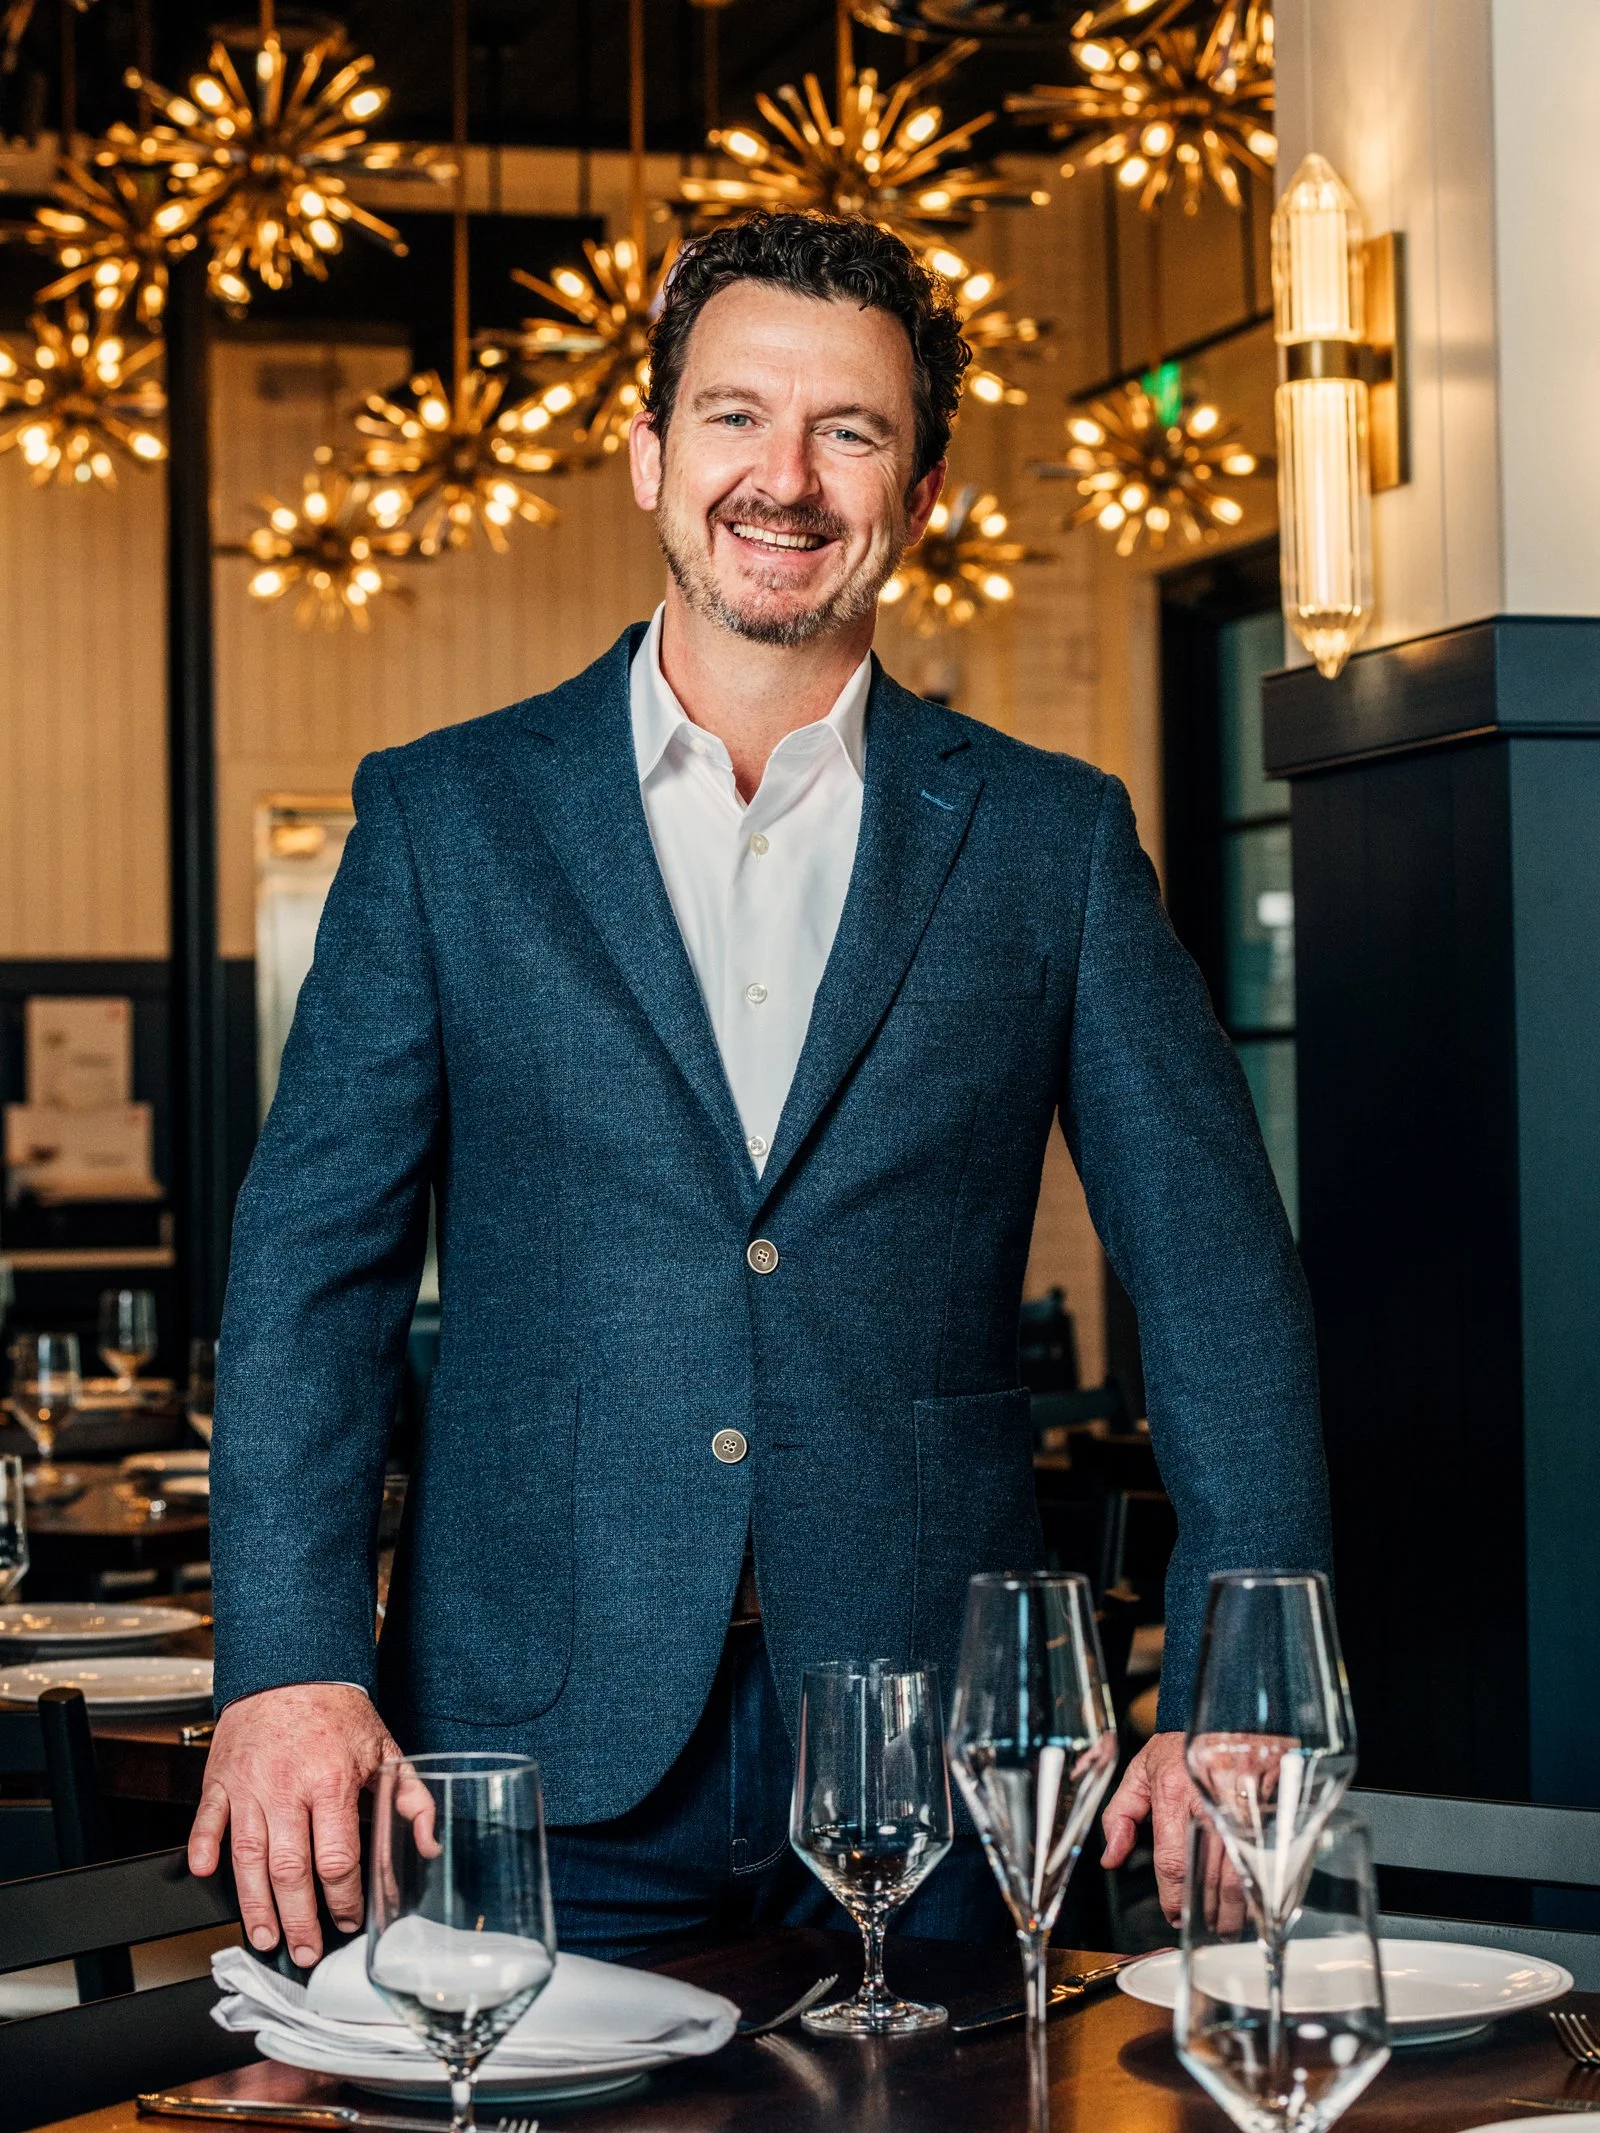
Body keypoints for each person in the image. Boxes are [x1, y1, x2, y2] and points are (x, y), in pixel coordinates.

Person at [190, 210, 1330, 1968]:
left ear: (921, 487)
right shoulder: (445, 819)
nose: (782, 480)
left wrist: (1242, 1676)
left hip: (947, 1755)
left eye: (848, 432)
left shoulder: (1052, 840)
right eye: (734, 417)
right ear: (650, 455)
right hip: (517, 1743)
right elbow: (306, 1277)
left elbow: (1215, 1271)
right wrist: (287, 1663)